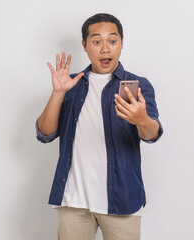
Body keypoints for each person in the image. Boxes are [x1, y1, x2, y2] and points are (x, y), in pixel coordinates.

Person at [36, 13, 163, 240]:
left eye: (112, 41)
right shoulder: (70, 84)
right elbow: (45, 134)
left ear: (121, 43)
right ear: (85, 45)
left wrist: (142, 119)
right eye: (97, 41)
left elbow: (151, 135)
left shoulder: (138, 85)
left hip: (122, 200)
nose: (105, 49)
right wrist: (58, 93)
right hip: (73, 201)